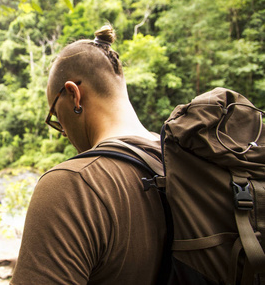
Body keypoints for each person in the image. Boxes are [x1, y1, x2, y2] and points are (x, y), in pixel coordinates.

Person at [10, 25, 167, 285]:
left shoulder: (71, 187)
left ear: (74, 95)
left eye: (56, 118)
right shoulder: (182, 159)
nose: (63, 133)